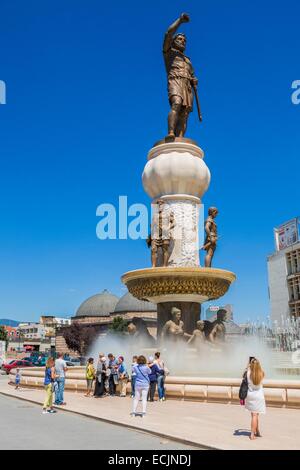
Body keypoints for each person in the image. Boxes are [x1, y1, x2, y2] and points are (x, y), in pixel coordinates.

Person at [244, 357, 266, 440]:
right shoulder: (262, 373)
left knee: (254, 415)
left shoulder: (248, 373)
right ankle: (252, 434)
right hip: (259, 396)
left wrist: (249, 365)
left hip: (250, 396)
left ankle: (257, 431)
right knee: (256, 415)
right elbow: (260, 370)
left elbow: (247, 368)